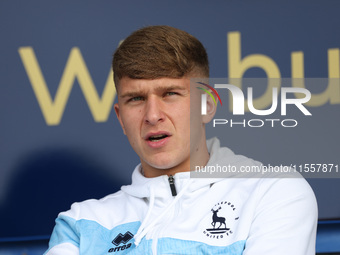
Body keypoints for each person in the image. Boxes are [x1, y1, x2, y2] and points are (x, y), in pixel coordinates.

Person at [44, 25, 317, 255]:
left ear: (207, 106)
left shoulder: (273, 192)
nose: (152, 115)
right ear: (120, 117)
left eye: (170, 94)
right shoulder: (80, 223)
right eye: (136, 99)